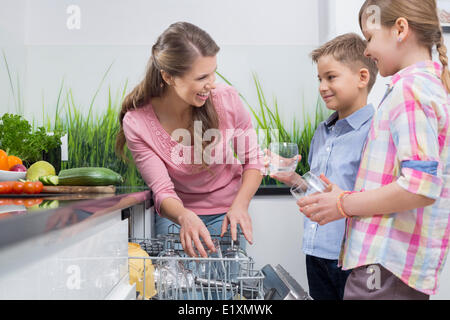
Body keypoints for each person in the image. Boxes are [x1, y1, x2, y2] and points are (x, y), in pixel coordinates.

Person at [298, 0, 450, 300]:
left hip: (385, 266)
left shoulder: (410, 91)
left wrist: (343, 204)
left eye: (369, 38)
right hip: (387, 265)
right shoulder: (420, 87)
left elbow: (420, 187)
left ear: (400, 30)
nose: (366, 51)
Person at [115, 22, 264, 258]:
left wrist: (240, 205)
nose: (212, 83)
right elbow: (162, 190)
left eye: (213, 72)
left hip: (228, 213)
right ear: (168, 77)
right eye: (202, 77)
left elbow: (253, 160)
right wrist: (184, 216)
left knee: (227, 292)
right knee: (178, 289)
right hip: (177, 216)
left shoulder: (226, 100)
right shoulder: (138, 123)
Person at [269, 33, 378, 300]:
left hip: (352, 259)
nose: (322, 86)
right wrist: (295, 180)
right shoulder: (323, 131)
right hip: (316, 251)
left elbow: (375, 198)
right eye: (319, 79)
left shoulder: (375, 132)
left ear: (362, 78)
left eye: (331, 77)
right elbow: (323, 189)